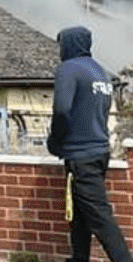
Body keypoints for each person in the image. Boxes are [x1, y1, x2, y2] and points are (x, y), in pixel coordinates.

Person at [47, 26, 132, 262]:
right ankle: (79, 258)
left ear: (70, 44)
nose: (60, 50)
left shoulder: (68, 69)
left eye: (62, 45)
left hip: (80, 155)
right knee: (81, 213)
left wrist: (55, 140)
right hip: (99, 151)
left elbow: (62, 109)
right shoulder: (99, 71)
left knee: (100, 217)